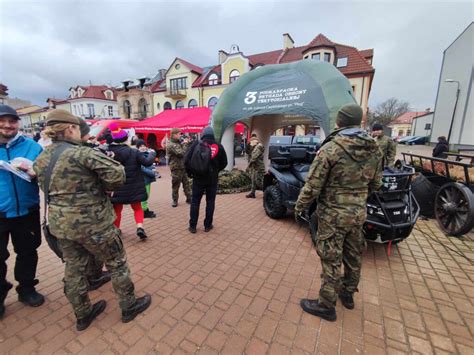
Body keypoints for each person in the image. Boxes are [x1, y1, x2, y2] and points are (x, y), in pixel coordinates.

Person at [33, 109, 151, 331]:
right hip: (94, 222)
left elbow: (45, 187)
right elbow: (117, 175)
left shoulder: (41, 158)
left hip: (61, 225)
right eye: (78, 128)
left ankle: (83, 315)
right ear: (70, 129)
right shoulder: (82, 153)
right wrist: (103, 188)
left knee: (73, 268)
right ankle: (129, 306)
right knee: (117, 263)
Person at [294, 103, 383, 322]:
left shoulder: (331, 149)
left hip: (333, 215)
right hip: (358, 213)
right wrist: (358, 197)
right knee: (353, 255)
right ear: (359, 121)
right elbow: (377, 183)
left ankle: (326, 305)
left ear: (340, 122)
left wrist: (300, 206)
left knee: (331, 257)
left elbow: (313, 184)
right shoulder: (374, 148)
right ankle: (348, 295)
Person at [0, 104, 45, 319]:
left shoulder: (32, 146)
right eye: (3, 121)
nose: (7, 125)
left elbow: (45, 173)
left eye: (12, 121)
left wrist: (36, 172)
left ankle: (26, 289)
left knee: (27, 252)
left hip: (27, 210)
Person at [78, 119, 111, 290]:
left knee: (75, 261)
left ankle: (82, 307)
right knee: (112, 256)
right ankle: (129, 304)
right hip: (92, 214)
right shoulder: (87, 153)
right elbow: (116, 176)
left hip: (63, 219)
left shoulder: (47, 154)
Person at [107, 124, 156, 240]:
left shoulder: (108, 153)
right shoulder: (134, 152)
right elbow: (147, 162)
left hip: (117, 187)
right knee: (137, 208)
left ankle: (116, 230)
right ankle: (139, 227)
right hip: (134, 186)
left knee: (117, 209)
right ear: (126, 139)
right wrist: (152, 153)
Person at [185, 126, 227, 233]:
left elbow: (187, 160)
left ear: (203, 134)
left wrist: (191, 173)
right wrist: (216, 170)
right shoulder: (219, 146)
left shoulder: (196, 144)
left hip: (198, 178)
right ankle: (207, 225)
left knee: (195, 202)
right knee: (210, 202)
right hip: (212, 179)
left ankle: (193, 226)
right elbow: (224, 163)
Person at [166, 128, 192, 207]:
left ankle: (189, 198)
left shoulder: (178, 143)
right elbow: (181, 153)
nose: (180, 135)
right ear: (174, 135)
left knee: (186, 184)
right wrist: (185, 144)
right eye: (179, 134)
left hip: (183, 167)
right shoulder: (171, 144)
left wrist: (185, 143)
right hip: (176, 168)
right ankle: (175, 200)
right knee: (176, 185)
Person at [136, 139, 157, 218]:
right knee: (144, 196)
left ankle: (145, 209)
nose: (142, 147)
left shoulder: (147, 154)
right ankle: (144, 211)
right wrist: (152, 173)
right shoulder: (139, 156)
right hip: (143, 179)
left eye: (144, 146)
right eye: (140, 146)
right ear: (137, 148)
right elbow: (142, 168)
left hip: (147, 179)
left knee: (146, 195)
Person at [246, 134, 265, 198]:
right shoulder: (255, 147)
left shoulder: (259, 146)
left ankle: (267, 192)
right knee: (253, 180)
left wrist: (248, 167)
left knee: (259, 181)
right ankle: (252, 193)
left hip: (259, 167)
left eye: (251, 142)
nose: (250, 143)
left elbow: (254, 158)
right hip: (255, 167)